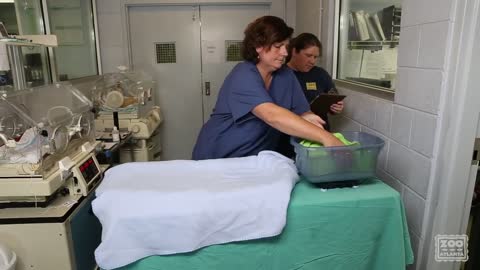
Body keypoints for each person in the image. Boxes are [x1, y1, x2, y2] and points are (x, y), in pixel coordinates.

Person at [192, 16, 343, 160]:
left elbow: (303, 111)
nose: (284, 53)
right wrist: (327, 138)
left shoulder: (286, 75)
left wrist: (307, 117)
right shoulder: (243, 74)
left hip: (255, 158)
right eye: (278, 46)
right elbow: (271, 115)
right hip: (219, 156)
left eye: (286, 46)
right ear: (258, 46)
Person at [287, 33, 344, 131]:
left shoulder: (320, 74)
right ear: (294, 51)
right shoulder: (280, 74)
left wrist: (336, 107)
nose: (312, 61)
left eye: (315, 57)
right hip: (290, 133)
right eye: (308, 55)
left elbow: (333, 96)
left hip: (319, 130)